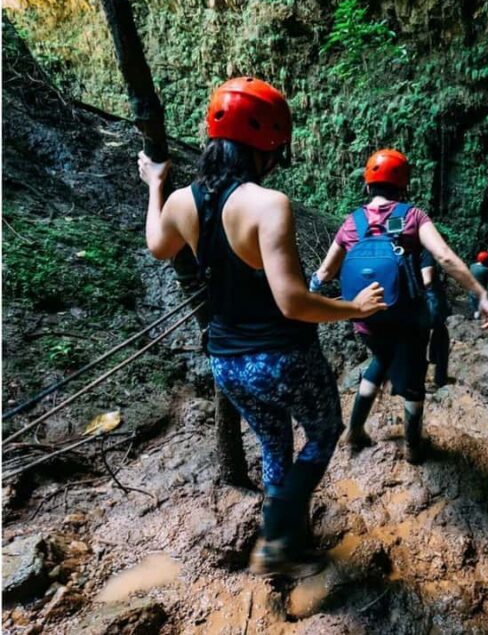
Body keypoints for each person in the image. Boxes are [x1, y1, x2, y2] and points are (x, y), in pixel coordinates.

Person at [137, 77, 387, 579]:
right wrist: (355, 308)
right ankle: (277, 536)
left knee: (275, 445)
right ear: (271, 148)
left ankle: (289, 545)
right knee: (323, 433)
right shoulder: (269, 205)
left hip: (227, 364)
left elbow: (158, 247)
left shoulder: (184, 202)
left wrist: (156, 185)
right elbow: (292, 302)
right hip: (282, 357)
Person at [310, 149, 488, 464]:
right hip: (406, 320)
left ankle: (354, 431)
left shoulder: (351, 223)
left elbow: (325, 272)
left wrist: (305, 298)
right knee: (413, 381)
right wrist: (479, 292)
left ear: (368, 186)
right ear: (403, 186)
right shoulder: (411, 217)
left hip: (366, 320)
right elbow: (446, 258)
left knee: (380, 360)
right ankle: (412, 446)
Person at [421, 249, 451, 389]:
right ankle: (438, 379)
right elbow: (427, 279)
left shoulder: (400, 249)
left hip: (409, 304)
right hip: (429, 301)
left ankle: (415, 378)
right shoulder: (424, 250)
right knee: (440, 336)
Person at [469, 251, 488, 319]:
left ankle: (475, 316)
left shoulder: (472, 266)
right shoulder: (485, 270)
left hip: (472, 291)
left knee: (475, 307)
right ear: (486, 261)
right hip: (481, 293)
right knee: (481, 309)